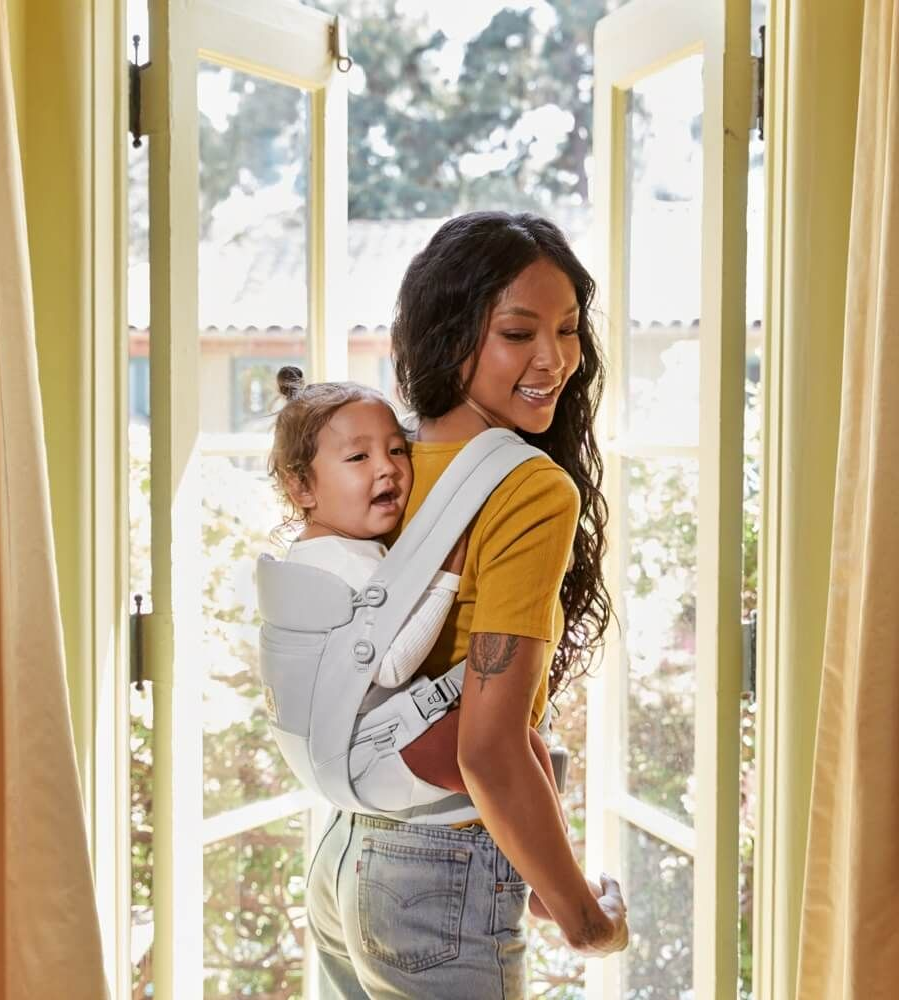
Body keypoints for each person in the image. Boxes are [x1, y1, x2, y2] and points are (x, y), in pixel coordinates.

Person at [305, 211, 629, 1000]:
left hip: (346, 856)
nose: (553, 359)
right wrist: (582, 917)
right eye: (517, 333)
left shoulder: (384, 459)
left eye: (568, 329)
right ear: (452, 334)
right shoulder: (529, 486)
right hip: (437, 874)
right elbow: (489, 746)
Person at [267, 366, 567, 862]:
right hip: (370, 752)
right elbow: (387, 664)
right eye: (359, 456)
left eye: (397, 450)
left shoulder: (323, 549)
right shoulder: (341, 561)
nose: (386, 468)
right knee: (515, 752)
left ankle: (545, 874)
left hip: (351, 758)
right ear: (302, 489)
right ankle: (551, 882)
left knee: (526, 753)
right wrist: (448, 567)